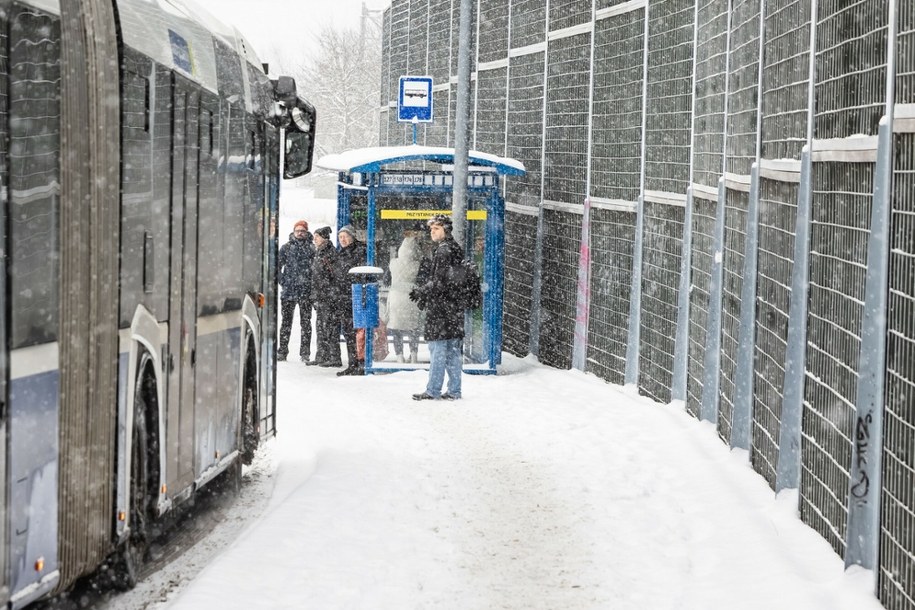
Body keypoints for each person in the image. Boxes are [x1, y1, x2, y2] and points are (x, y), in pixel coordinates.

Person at [409, 214, 465, 400]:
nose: (432, 232)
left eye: (437, 229)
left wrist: (422, 292)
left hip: (441, 309)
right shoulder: (455, 248)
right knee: (452, 352)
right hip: (453, 308)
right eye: (431, 229)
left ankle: (433, 390)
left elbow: (439, 281)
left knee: (438, 350)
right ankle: (454, 390)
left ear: (446, 230)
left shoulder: (443, 251)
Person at [277, 220, 315, 362]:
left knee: (306, 323)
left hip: (305, 292)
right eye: (298, 230)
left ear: (306, 232)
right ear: (293, 231)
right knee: (286, 323)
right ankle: (282, 351)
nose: (300, 233)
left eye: (303, 230)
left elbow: (315, 270)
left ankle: (305, 353)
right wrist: (283, 281)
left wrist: (310, 284)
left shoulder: (312, 248)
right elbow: (277, 266)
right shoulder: (286, 248)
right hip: (288, 292)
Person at [309, 226, 343, 367]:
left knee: (330, 327)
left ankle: (334, 357)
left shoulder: (330, 253)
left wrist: (329, 293)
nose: (314, 239)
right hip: (320, 297)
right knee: (320, 327)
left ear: (324, 238)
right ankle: (321, 355)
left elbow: (336, 276)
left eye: (317, 236)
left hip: (329, 297)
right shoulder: (319, 252)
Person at [335, 224, 367, 376]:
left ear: (352, 237)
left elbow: (360, 274)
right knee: (348, 332)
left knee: (358, 332)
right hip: (343, 297)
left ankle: (361, 363)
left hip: (356, 295)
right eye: (340, 237)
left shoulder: (360, 251)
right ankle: (352, 363)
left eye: (345, 236)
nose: (343, 239)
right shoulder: (340, 253)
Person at [386, 235, 423, 363]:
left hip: (396, 299)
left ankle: (399, 356)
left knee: (396, 328)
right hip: (412, 299)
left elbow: (386, 281)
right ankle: (413, 355)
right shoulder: (417, 265)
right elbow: (423, 281)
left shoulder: (393, 263)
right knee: (413, 328)